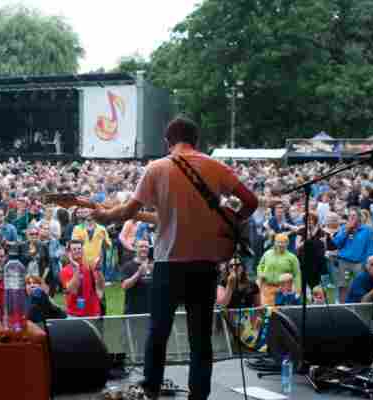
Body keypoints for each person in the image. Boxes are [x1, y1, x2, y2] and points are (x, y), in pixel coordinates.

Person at [91, 116, 258, 400]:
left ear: (168, 141)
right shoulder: (216, 166)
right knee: (200, 339)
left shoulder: (157, 168)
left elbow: (128, 210)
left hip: (169, 265)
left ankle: (151, 392)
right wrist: (229, 224)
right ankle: (199, 397)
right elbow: (251, 202)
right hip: (205, 265)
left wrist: (104, 215)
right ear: (197, 140)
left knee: (158, 334)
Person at [59, 239, 104, 317]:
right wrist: (77, 268)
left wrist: (98, 270)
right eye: (74, 249)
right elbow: (73, 290)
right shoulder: (65, 271)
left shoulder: (89, 267)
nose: (77, 251)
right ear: (69, 253)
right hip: (75, 314)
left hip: (93, 313)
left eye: (79, 249)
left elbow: (100, 288)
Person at [256, 234, 301, 306]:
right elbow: (260, 266)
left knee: (278, 312)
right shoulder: (267, 253)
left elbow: (297, 274)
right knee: (266, 312)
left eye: (283, 242)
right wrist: (261, 273)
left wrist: (298, 291)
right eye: (278, 242)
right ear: (275, 242)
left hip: (282, 291)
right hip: (267, 288)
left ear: (287, 244)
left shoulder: (292, 257)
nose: (280, 244)